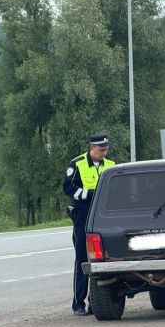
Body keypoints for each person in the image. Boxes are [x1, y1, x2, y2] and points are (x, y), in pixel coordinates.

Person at [62, 133, 116, 315]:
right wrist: (90, 194)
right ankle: (78, 303)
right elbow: (68, 188)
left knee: (102, 259)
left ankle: (96, 302)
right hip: (83, 214)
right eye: (101, 150)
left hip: (104, 215)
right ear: (92, 148)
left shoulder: (111, 165)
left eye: (106, 150)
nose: (104, 153)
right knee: (83, 258)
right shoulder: (77, 164)